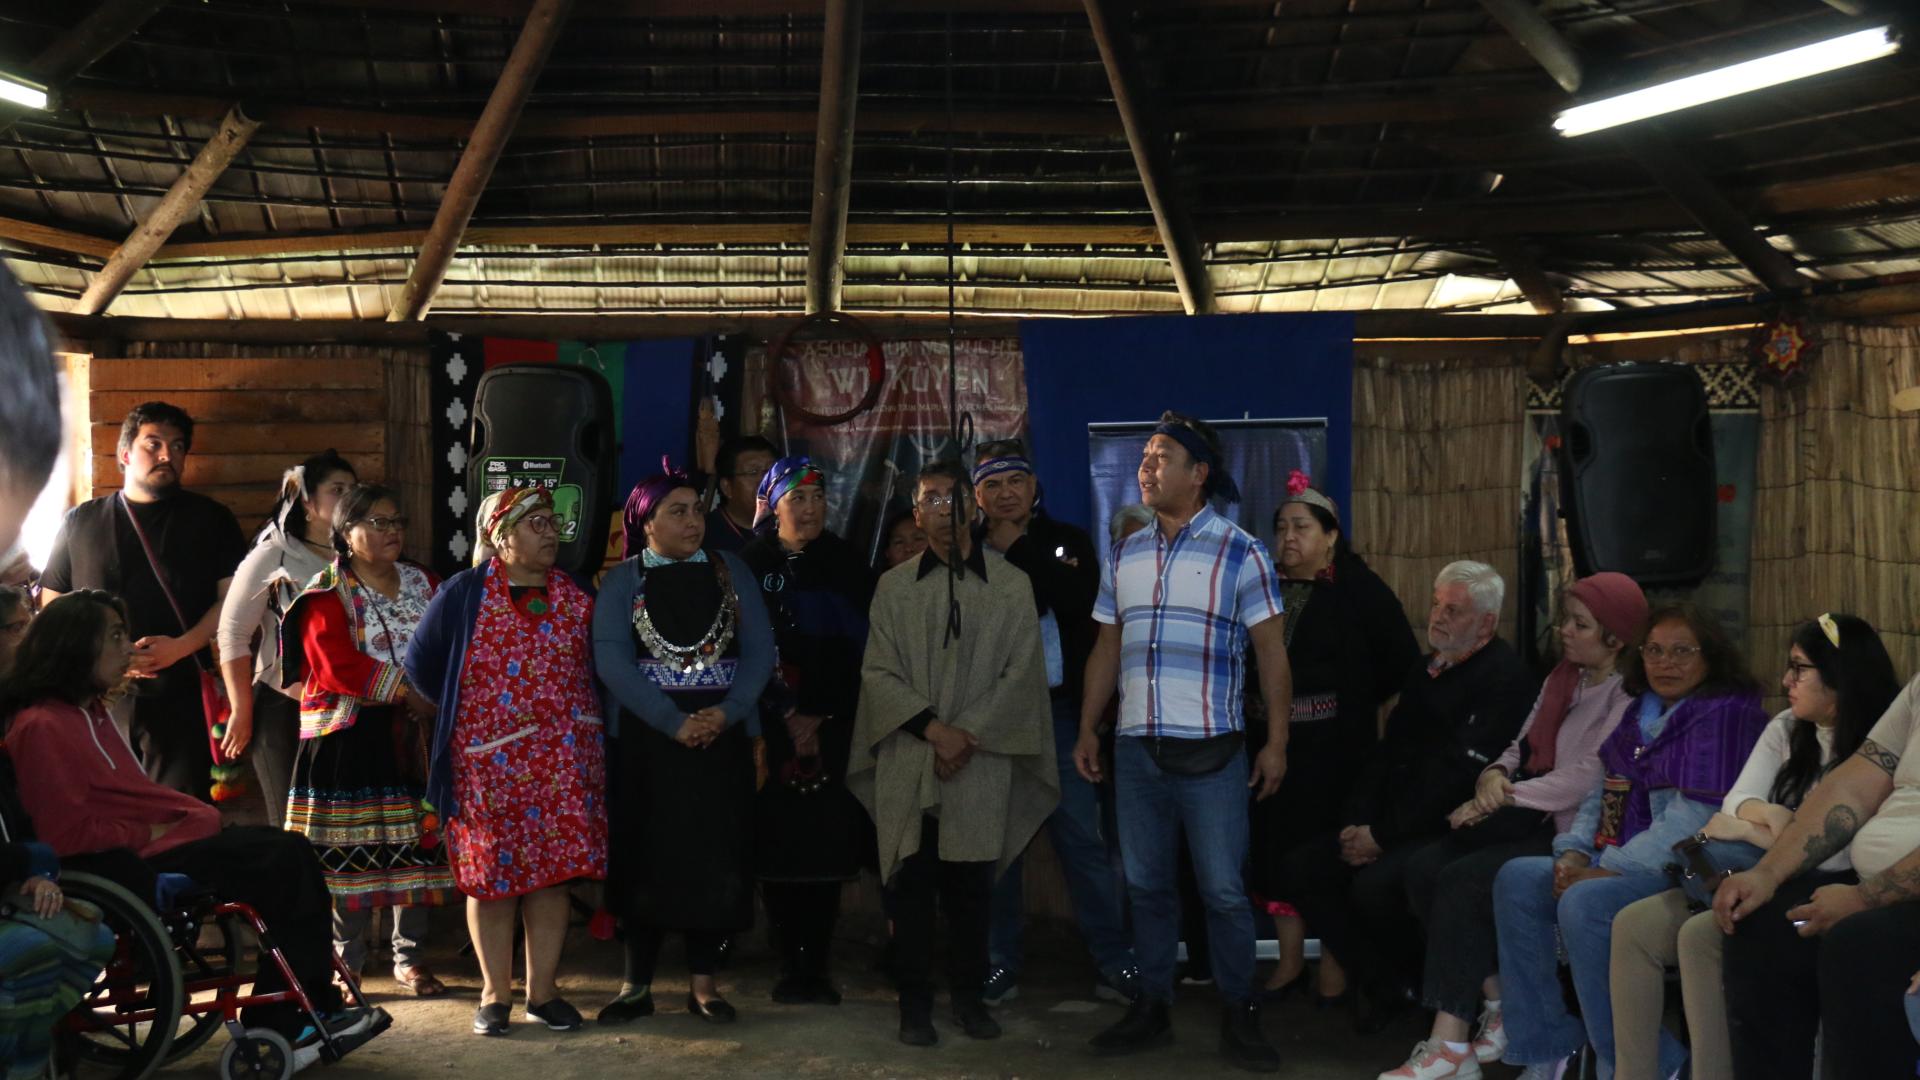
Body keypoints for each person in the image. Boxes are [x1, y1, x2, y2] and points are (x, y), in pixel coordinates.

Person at [4, 591, 371, 1062]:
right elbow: (65, 836)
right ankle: (288, 1017)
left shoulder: (87, 712)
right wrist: (150, 833)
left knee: (290, 849)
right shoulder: (41, 726)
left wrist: (177, 821)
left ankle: (307, 1005)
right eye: (115, 636)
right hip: (117, 863)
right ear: (76, 646)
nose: (128, 647)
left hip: (154, 843)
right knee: (282, 860)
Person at [1073, 411, 1292, 1072]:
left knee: (1224, 890)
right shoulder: (1127, 552)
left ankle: (1239, 1010)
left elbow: (1273, 657)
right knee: (1146, 886)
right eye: (1144, 455)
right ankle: (1153, 1005)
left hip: (1213, 753)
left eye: (1161, 456)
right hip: (1137, 750)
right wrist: (1088, 725)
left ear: (1198, 475)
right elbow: (1106, 645)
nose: (1147, 466)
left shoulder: (1241, 551)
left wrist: (1276, 743)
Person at [1380, 572, 1646, 1080]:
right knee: (1422, 867)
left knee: (1464, 879)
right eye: (1566, 620)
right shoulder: (1563, 679)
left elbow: (1583, 779)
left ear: (1615, 638)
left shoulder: (1623, 697)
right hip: (1528, 812)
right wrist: (1494, 775)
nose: (1564, 631)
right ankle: (1498, 1002)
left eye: (1580, 624)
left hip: (1575, 834)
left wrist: (1500, 797)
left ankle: (1449, 1044)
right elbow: (1518, 745)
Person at [1608, 614, 1897, 1080]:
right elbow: (1736, 801)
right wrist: (1778, 823)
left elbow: (1842, 852)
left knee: (1702, 936)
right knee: (1632, 925)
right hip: (1758, 876)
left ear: (1840, 677)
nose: (1785, 681)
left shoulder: (1879, 744)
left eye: (1799, 669)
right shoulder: (1786, 727)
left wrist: (1753, 829)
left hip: (1828, 887)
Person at [1494, 604, 1766, 1080]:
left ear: (1711, 657)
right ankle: (1550, 1049)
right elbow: (1601, 789)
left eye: (1683, 651)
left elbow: (1693, 821)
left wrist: (1607, 868)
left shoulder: (1726, 715)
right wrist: (1574, 851)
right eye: (1654, 651)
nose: (1666, 663)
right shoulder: (1639, 712)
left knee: (1586, 902)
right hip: (1611, 856)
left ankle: (1641, 1065)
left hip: (1685, 870)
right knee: (1518, 878)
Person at [851, 459, 1057, 1048]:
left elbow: (1021, 675)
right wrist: (935, 732)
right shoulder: (893, 587)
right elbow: (879, 672)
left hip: (982, 758)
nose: (943, 509)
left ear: (974, 508)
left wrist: (965, 734)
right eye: (930, 500)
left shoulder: (1011, 585)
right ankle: (914, 1006)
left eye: (953, 498)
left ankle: (970, 999)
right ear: (916, 514)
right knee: (909, 888)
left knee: (972, 890)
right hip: (912, 754)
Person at [1283, 560, 1534, 1034]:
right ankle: (1392, 986)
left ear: (1486, 622)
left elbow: (1458, 777)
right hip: (1392, 820)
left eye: (1453, 610)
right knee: (1305, 867)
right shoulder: (1426, 669)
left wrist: (1382, 835)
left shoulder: (1504, 678)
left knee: (1378, 886)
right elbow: (1387, 752)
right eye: (1436, 604)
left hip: (1450, 826)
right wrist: (1358, 822)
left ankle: (1432, 991)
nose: (1437, 617)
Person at [407, 488, 608, 1036]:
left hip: (565, 764)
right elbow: (420, 663)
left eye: (553, 522)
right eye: (537, 522)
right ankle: (495, 995)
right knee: (492, 879)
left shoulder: (576, 594)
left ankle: (543, 994)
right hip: (485, 767)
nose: (552, 532)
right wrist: (464, 714)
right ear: (500, 534)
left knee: (550, 880)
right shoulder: (463, 594)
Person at [593, 469, 774, 1026]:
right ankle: (635, 985)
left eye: (697, 509)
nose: (693, 520)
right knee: (644, 855)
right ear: (645, 523)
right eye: (677, 511)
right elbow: (613, 664)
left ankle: (704, 985)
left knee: (715, 857)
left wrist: (726, 713)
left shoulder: (731, 571)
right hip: (650, 745)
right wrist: (673, 722)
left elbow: (760, 653)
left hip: (719, 742)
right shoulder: (622, 582)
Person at [971, 439, 1139, 1007]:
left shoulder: (1067, 541)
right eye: (992, 484)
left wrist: (1019, 548)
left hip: (1059, 713)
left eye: (1015, 480)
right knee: (996, 848)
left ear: (1034, 485)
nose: (1006, 492)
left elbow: (1072, 603)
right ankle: (998, 963)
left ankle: (1114, 963)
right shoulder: (963, 552)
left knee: (1083, 841)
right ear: (976, 495)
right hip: (989, 721)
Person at [1249, 474, 1419, 1004]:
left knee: (1323, 856)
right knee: (1274, 850)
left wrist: (1352, 702)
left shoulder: (1360, 591)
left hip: (1335, 752)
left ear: (1331, 536)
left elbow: (1402, 664)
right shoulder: (1264, 587)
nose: (1288, 539)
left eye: (1301, 527)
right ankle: (1291, 961)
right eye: (1281, 528)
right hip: (1271, 745)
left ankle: (1337, 966)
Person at [282, 485, 453, 996]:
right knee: (349, 855)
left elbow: (453, 640)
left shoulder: (427, 582)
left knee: (415, 843)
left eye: (396, 521)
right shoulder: (327, 590)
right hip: (349, 738)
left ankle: (411, 959)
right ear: (347, 534)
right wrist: (407, 691)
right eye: (377, 523)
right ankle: (345, 963)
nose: (391, 531)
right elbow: (335, 665)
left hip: (417, 737)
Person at [1714, 665, 1920, 1078]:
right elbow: (1853, 785)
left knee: (1858, 943)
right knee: (1761, 922)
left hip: (1897, 904)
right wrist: (1767, 873)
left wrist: (1864, 898)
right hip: (1879, 889)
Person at [40, 401, 248, 798]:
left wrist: (182, 646)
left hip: (182, 694)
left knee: (181, 815)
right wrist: (100, 656)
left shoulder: (212, 519)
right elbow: (52, 608)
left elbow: (232, 602)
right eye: (153, 444)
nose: (167, 454)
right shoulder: (79, 522)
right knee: (104, 813)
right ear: (124, 454)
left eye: (178, 445)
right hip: (95, 699)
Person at [739, 457, 873, 1006]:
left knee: (824, 844)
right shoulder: (750, 563)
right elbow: (742, 646)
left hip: (834, 725)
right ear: (773, 506)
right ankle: (787, 961)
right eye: (798, 499)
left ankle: (815, 965)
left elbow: (866, 647)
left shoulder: (846, 562)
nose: (812, 508)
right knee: (776, 843)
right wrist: (785, 714)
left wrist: (818, 712)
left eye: (818, 497)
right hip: (767, 730)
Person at [216, 451, 358, 826]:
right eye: (337, 489)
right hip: (284, 707)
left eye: (354, 490)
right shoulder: (274, 551)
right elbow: (232, 632)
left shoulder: (359, 554)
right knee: (293, 827)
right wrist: (241, 709)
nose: (349, 498)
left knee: (339, 828)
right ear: (307, 500)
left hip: (345, 707)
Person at [703, 435, 777, 554]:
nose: (766, 481)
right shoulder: (704, 536)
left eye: (771, 471)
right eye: (753, 472)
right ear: (727, 487)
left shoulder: (790, 525)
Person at [879, 508, 929, 572]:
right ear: (887, 553)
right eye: (899, 542)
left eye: (918, 539)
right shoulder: (884, 581)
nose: (908, 548)